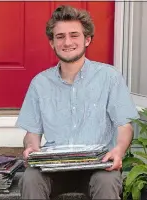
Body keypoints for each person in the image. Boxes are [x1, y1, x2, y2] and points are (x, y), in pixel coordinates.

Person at [15, 5, 139, 200]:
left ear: (87, 39)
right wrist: (31, 147)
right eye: (60, 37)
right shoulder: (40, 83)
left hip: (98, 166)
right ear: (52, 43)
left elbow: (125, 126)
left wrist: (119, 150)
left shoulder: (110, 77)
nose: (67, 42)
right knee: (30, 178)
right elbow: (32, 133)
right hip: (54, 167)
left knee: (106, 182)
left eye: (74, 35)